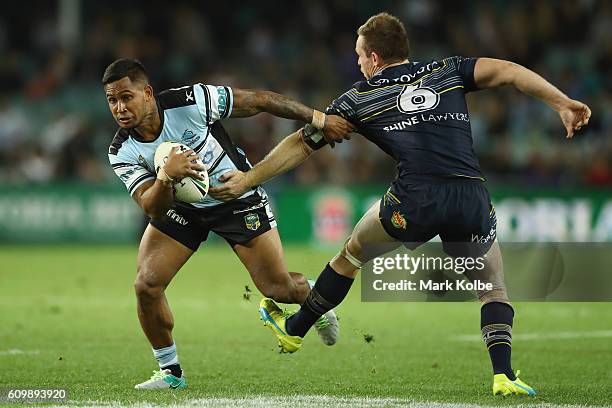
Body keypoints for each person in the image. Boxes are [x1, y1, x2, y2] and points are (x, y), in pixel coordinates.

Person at [208, 12, 591, 396]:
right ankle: (503, 375)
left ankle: (294, 330)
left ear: (374, 58)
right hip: (469, 196)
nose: (358, 63)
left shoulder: (359, 97)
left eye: (359, 55)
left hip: (415, 199)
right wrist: (561, 103)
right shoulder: (448, 69)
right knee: (493, 292)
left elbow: (301, 143)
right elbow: (509, 70)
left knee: (351, 254)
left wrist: (248, 178)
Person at [102, 58, 354, 389]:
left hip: (235, 197)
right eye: (112, 100)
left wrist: (318, 118)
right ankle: (171, 373)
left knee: (277, 288)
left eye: (126, 97)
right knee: (146, 285)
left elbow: (260, 101)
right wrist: (165, 176)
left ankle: (313, 297)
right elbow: (151, 207)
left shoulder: (190, 101)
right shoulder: (121, 149)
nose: (119, 107)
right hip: (182, 208)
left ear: (147, 93)